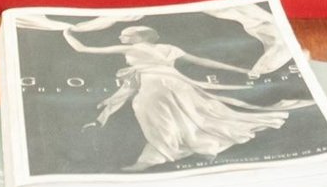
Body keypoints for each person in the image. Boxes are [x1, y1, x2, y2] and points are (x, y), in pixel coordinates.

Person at [59, 21, 300, 167]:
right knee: (191, 115)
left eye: (126, 34)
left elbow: (84, 49)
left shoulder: (132, 48)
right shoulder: (169, 48)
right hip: (177, 83)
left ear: (138, 37)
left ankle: (157, 157)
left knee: (154, 115)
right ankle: (200, 149)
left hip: (155, 84)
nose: (121, 36)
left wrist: (66, 33)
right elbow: (203, 61)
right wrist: (241, 70)